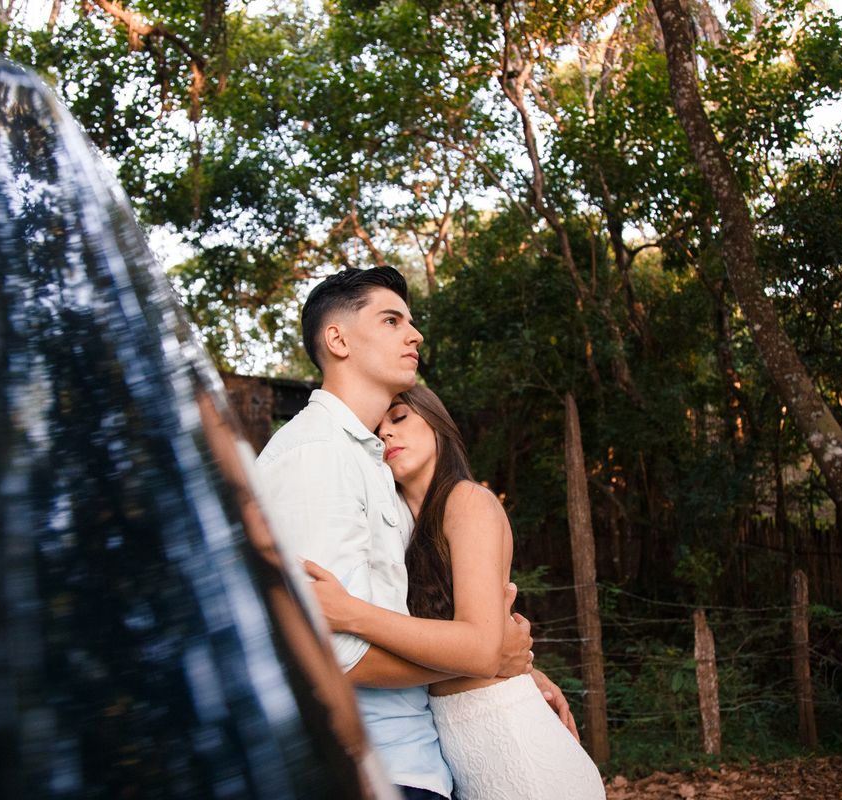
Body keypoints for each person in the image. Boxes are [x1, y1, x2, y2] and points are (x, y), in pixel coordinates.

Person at [256, 267, 573, 800]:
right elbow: (333, 653)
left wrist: (511, 671)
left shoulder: (377, 469)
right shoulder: (317, 454)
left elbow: (420, 622)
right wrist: (490, 658)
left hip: (422, 762)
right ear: (337, 340)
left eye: (411, 320)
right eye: (391, 319)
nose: (415, 334)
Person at [302, 384, 607, 800]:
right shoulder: (402, 528)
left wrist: (349, 612)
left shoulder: (467, 502)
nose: (386, 434)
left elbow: (481, 645)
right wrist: (521, 662)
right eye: (377, 429)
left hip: (514, 748)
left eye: (399, 417)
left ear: (438, 423)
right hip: (460, 755)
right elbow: (475, 639)